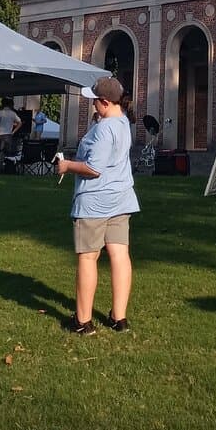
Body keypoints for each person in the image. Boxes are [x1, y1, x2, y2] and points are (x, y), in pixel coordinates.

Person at [56, 76, 139, 335]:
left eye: (95, 102)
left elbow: (94, 169)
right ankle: (119, 317)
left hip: (94, 202)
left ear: (105, 102)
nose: (93, 106)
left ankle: (83, 322)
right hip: (121, 198)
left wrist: (67, 165)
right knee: (120, 256)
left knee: (89, 257)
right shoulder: (124, 123)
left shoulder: (104, 129)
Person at [0, 99, 22, 165]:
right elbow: (20, 123)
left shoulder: (0, 112)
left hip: (0, 134)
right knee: (8, 152)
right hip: (9, 135)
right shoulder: (13, 113)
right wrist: (13, 131)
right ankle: (8, 165)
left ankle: (0, 165)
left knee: (0, 151)